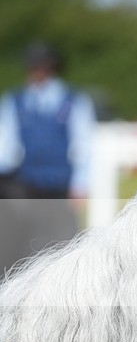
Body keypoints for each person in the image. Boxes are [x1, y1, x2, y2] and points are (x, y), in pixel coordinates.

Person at [0, 42, 95, 275]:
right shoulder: (16, 102)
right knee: (17, 244)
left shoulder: (73, 102)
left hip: (60, 183)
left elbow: (83, 144)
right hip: (25, 182)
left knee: (62, 245)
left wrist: (80, 184)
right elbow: (7, 145)